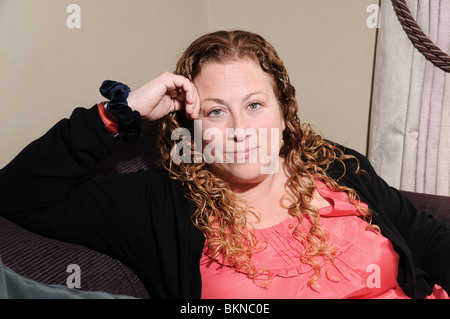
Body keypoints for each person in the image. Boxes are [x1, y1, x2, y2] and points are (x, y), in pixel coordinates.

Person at [0, 30, 449, 299]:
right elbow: (21, 192)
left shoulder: (335, 165)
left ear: (285, 112)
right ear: (191, 128)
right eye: (215, 112)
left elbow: (425, 239)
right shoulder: (161, 203)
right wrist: (122, 112)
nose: (240, 129)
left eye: (255, 104)